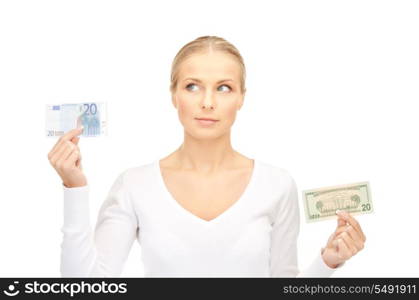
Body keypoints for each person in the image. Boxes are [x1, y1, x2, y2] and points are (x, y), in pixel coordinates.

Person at [47, 35, 366, 277]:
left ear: (242, 97)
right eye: (192, 86)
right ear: (174, 95)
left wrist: (328, 262)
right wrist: (74, 188)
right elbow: (85, 286)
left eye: (224, 88)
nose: (208, 102)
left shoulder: (277, 185)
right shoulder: (134, 184)